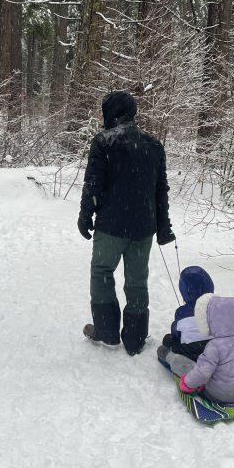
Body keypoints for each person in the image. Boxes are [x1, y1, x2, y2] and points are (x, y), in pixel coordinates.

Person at [78, 90, 175, 356]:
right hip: (143, 227)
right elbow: (160, 190)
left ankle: (107, 332)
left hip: (110, 225)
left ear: (112, 112)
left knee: (101, 271)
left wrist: (85, 215)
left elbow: (93, 185)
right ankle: (135, 339)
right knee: (137, 280)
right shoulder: (153, 144)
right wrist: (164, 226)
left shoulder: (104, 142)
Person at [169, 293, 234, 403]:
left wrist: (187, 384)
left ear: (212, 321)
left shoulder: (214, 346)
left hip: (218, 395)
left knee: (192, 368)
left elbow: (203, 372)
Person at [158, 265, 215, 368]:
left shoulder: (181, 312)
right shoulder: (218, 306)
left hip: (190, 354)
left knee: (167, 340)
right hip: (215, 352)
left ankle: (184, 366)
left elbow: (176, 333)